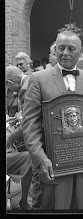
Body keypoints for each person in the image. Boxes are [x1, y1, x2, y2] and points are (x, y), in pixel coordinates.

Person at [22, 31, 83, 209]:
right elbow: (30, 125)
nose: (65, 53)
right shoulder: (38, 79)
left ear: (80, 52)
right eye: (60, 48)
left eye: (71, 49)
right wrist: (40, 159)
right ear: (55, 50)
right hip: (53, 165)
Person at [6, 65, 33, 210]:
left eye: (8, 86)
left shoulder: (24, 89)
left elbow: (30, 120)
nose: (9, 90)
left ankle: (28, 202)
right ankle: (24, 200)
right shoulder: (30, 80)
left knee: (28, 164)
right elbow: (28, 114)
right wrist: (18, 118)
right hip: (30, 135)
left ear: (10, 83)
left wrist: (14, 136)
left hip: (33, 138)